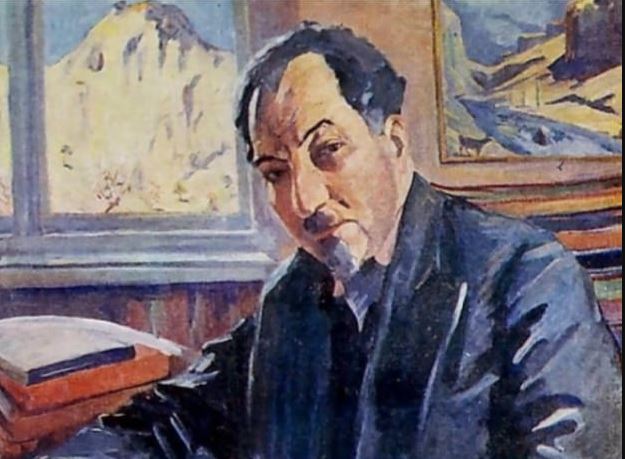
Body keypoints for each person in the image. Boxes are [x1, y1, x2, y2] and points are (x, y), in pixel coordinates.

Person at [47, 23, 621, 459]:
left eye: (328, 151)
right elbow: (176, 419)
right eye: (276, 172)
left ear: (394, 143)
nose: (304, 200)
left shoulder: (528, 276)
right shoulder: (291, 296)